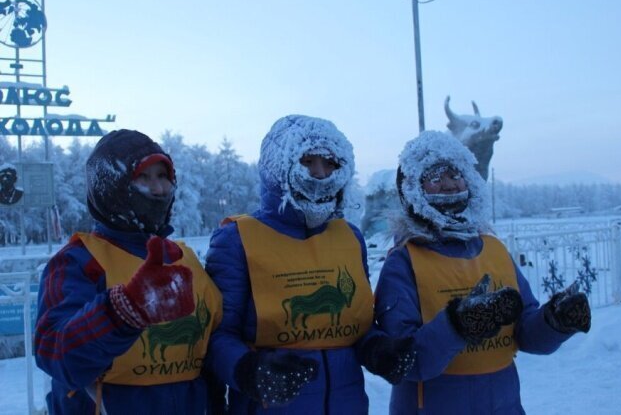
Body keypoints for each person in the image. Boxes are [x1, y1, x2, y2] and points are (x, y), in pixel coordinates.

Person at [205, 114, 415, 414]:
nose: (320, 173)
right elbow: (215, 336)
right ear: (279, 165)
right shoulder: (237, 240)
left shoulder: (349, 238)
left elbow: (354, 325)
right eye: (307, 162)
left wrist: (378, 349)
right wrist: (250, 370)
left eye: (329, 163)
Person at [375, 130, 591, 414]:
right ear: (413, 188)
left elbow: (526, 333)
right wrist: (457, 325)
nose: (450, 185)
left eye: (455, 175)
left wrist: (554, 322)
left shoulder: (495, 251)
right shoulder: (404, 262)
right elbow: (404, 362)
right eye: (436, 178)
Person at [34, 129, 223, 414]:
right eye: (144, 178)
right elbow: (55, 352)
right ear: (111, 186)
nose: (159, 190)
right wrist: (122, 311)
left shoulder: (184, 258)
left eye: (163, 177)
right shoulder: (78, 261)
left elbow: (212, 344)